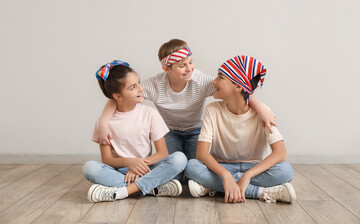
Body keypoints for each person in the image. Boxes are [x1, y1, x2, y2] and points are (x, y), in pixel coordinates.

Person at [96, 39, 277, 180]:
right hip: (170, 133)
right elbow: (123, 94)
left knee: (192, 169)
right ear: (166, 68)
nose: (189, 68)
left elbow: (237, 91)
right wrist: (104, 123)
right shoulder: (155, 85)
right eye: (182, 65)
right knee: (173, 173)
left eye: (191, 62)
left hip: (196, 132)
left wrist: (260, 107)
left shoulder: (201, 82)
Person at [184, 55, 296, 204]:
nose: (214, 81)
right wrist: (226, 175)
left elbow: (280, 153)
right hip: (222, 166)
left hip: (254, 167)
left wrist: (247, 176)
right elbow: (201, 153)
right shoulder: (212, 110)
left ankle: (213, 188)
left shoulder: (263, 113)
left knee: (285, 170)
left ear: (238, 86)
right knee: (191, 166)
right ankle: (260, 192)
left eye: (221, 77)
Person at [83, 60, 187, 203]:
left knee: (180, 159)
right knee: (89, 168)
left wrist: (138, 165)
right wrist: (130, 163)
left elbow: (163, 153)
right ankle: (152, 187)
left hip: (148, 168)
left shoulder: (150, 113)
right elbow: (107, 160)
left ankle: (124, 191)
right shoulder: (105, 124)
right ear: (117, 96)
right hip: (121, 171)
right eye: (133, 87)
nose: (140, 89)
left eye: (139, 82)